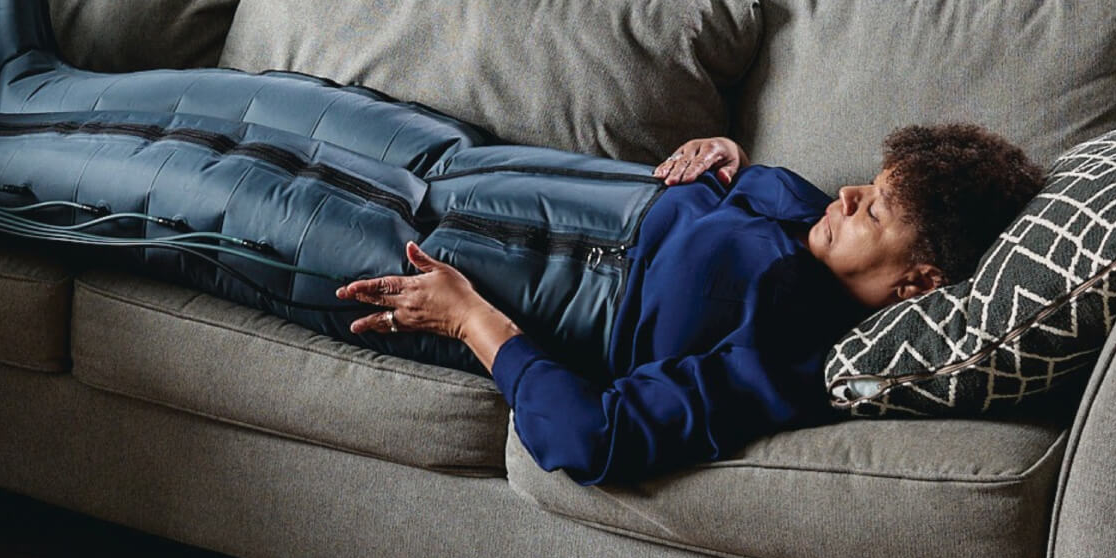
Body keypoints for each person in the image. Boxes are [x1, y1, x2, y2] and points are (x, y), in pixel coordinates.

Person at [336, 124, 1046, 485]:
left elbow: (594, 437)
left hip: (513, 277)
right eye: (869, 182)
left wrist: (471, 320)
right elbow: (761, 183)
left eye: (875, 211)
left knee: (244, 209)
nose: (849, 195)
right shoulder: (813, 221)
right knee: (283, 114)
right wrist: (727, 150)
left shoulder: (782, 358)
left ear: (918, 283)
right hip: (537, 180)